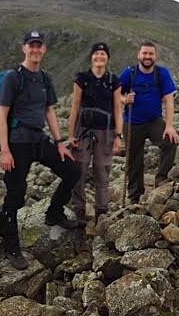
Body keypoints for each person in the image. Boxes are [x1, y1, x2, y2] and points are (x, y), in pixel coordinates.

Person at [0, 30, 81, 270]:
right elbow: (2, 114)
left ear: (44, 49)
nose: (35, 49)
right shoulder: (15, 77)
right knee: (16, 192)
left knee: (72, 171)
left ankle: (54, 213)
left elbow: (49, 111)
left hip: (39, 139)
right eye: (31, 45)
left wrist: (59, 142)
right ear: (24, 48)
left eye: (39, 46)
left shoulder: (45, 78)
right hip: (17, 141)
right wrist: (4, 150)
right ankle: (10, 243)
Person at [67, 42, 122, 226]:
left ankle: (101, 212)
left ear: (107, 58)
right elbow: (74, 107)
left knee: (102, 172)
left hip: (106, 132)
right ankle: (79, 211)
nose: (99, 57)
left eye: (103, 54)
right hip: (82, 131)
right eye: (97, 53)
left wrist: (118, 136)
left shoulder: (113, 81)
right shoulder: (81, 79)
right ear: (91, 57)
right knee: (78, 171)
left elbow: (117, 109)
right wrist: (70, 135)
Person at [119, 42, 179, 204]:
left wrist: (169, 125)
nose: (147, 57)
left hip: (154, 121)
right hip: (132, 122)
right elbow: (115, 94)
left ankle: (161, 180)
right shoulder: (129, 73)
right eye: (144, 53)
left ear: (155, 56)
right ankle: (134, 196)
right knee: (133, 159)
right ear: (139, 55)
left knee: (170, 141)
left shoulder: (161, 73)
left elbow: (168, 100)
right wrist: (125, 99)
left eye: (150, 54)